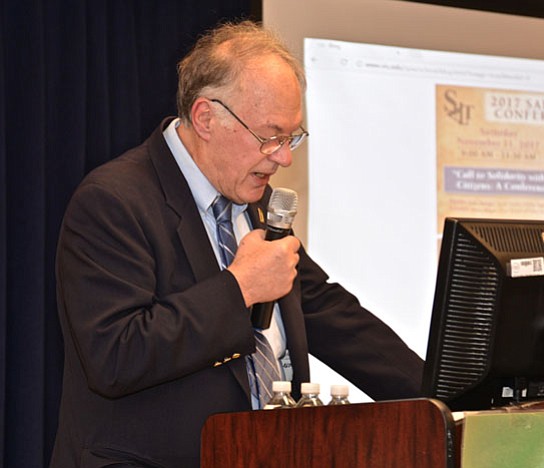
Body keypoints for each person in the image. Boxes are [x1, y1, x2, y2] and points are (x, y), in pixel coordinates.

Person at [50, 21, 423, 468]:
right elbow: (115, 355)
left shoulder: (256, 201)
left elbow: (326, 313)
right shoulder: (113, 201)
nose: (283, 157)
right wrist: (239, 287)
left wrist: (446, 397)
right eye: (270, 136)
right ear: (206, 118)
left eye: (293, 137)